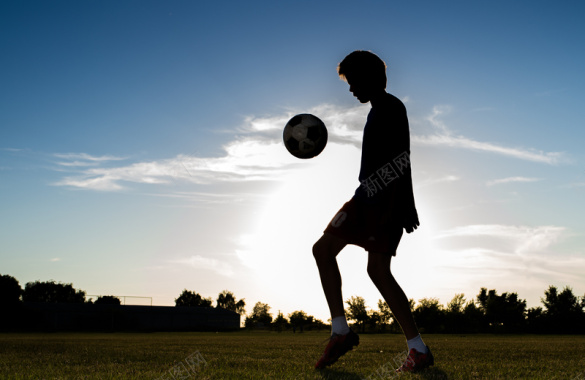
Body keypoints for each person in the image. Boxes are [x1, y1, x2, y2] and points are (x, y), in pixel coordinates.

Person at [313, 50, 434, 373]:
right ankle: (340, 331)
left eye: (354, 82)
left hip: (382, 198)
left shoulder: (392, 107)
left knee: (378, 271)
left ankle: (417, 349)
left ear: (371, 78)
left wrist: (397, 205)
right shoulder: (377, 110)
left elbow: (402, 159)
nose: (351, 90)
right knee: (323, 250)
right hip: (365, 194)